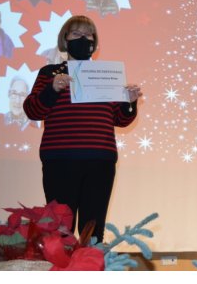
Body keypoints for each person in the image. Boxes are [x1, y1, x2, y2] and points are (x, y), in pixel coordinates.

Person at [23, 15, 142, 242]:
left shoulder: (107, 74)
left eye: (88, 35)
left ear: (94, 42)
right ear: (65, 40)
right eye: (76, 34)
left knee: (93, 231)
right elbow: (32, 111)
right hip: (60, 160)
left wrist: (130, 102)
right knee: (59, 230)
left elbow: (120, 119)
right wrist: (52, 89)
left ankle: (91, 262)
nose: (83, 39)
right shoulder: (50, 73)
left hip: (100, 160)